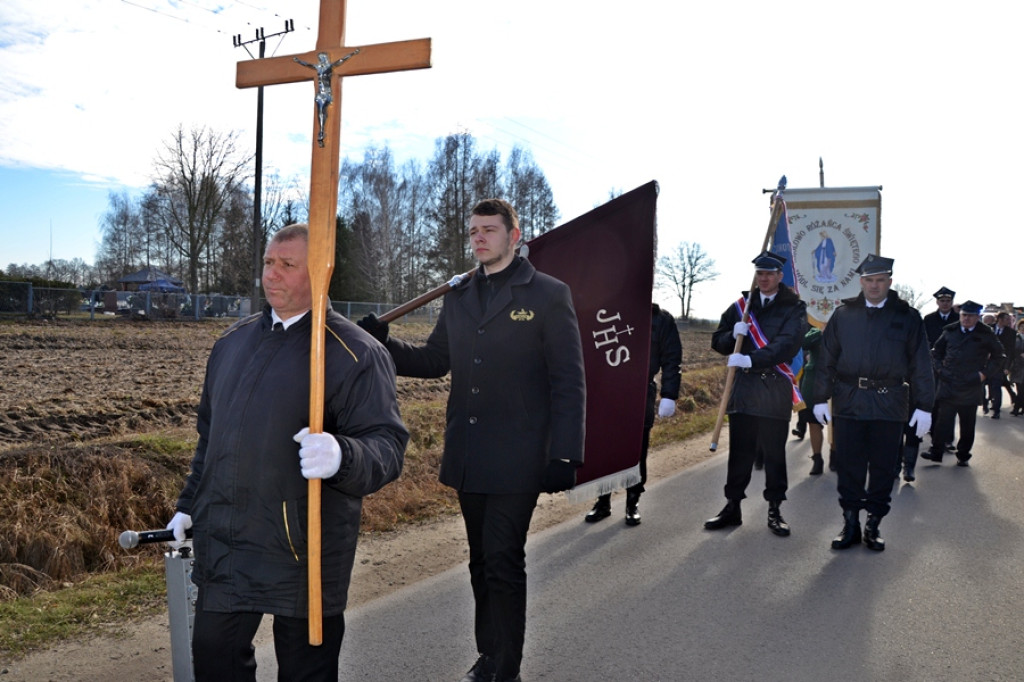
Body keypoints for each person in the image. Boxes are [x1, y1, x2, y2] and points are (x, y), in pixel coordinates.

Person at [165, 224, 408, 681]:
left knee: (305, 673)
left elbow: (388, 446)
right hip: (229, 544)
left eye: (287, 265)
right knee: (215, 658)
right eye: (268, 263)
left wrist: (343, 454)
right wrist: (188, 505)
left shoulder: (355, 353)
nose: (271, 275)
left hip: (304, 549)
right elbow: (210, 440)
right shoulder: (231, 344)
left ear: (320, 274)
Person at [358, 198, 586, 682]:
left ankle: (506, 669)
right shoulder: (459, 295)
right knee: (481, 562)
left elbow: (569, 379)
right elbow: (435, 360)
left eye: (489, 229)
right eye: (474, 231)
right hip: (470, 453)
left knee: (504, 559)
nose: (479, 238)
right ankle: (489, 655)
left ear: (514, 235)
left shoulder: (546, 294)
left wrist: (565, 452)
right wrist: (381, 342)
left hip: (520, 454)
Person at [813, 254, 934, 551]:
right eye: (869, 280)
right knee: (849, 465)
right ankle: (851, 523)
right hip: (850, 401)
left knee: (882, 468)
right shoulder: (844, 315)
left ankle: (873, 524)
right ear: (861, 282)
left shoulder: (907, 317)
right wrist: (818, 398)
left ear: (889, 281)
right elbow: (826, 359)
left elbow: (921, 363)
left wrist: (924, 405)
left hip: (889, 402)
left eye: (880, 280)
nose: (875, 285)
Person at [704, 251, 807, 537]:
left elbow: (788, 344)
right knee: (740, 453)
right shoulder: (741, 305)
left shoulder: (794, 307)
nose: (764, 278)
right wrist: (731, 335)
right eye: (760, 273)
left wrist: (752, 359)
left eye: (769, 274)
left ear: (779, 276)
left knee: (774, 454)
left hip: (774, 390)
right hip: (745, 391)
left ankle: (775, 509)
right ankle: (732, 506)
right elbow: (718, 340)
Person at [584, 302, 682, 525]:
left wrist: (669, 394)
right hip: (607, 392)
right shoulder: (606, 314)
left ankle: (632, 500)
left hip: (640, 391)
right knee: (605, 449)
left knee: (636, 450)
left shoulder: (662, 319)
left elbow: (671, 359)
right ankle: (603, 500)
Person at [922, 300, 1004, 466]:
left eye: (971, 316)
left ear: (977, 317)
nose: (966, 319)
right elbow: (936, 353)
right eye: (964, 315)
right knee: (942, 422)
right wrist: (940, 370)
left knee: (967, 424)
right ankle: (936, 452)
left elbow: (999, 357)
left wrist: (984, 374)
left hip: (971, 384)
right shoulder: (950, 331)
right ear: (960, 315)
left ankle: (963, 454)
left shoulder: (985, 334)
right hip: (949, 382)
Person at [790, 326, 827, 475]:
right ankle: (817, 459)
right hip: (814, 381)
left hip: (838, 379)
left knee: (837, 421)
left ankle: (836, 455)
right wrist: (819, 332)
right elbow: (803, 343)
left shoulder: (846, 327)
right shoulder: (816, 332)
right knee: (813, 420)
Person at [990, 311, 1018, 418]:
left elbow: (1010, 351)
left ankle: (996, 410)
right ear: (1000, 319)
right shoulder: (989, 329)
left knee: (997, 386)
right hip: (986, 363)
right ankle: (986, 403)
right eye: (1007, 319)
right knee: (985, 385)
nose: (1009, 321)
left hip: (1000, 364)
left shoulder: (1011, 333)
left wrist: (1007, 367)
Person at [1010, 318, 1024, 416]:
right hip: (1018, 367)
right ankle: (1017, 408)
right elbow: (1012, 351)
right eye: (1021, 327)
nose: (1023, 329)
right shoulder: (1016, 338)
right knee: (1020, 389)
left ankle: (1018, 408)